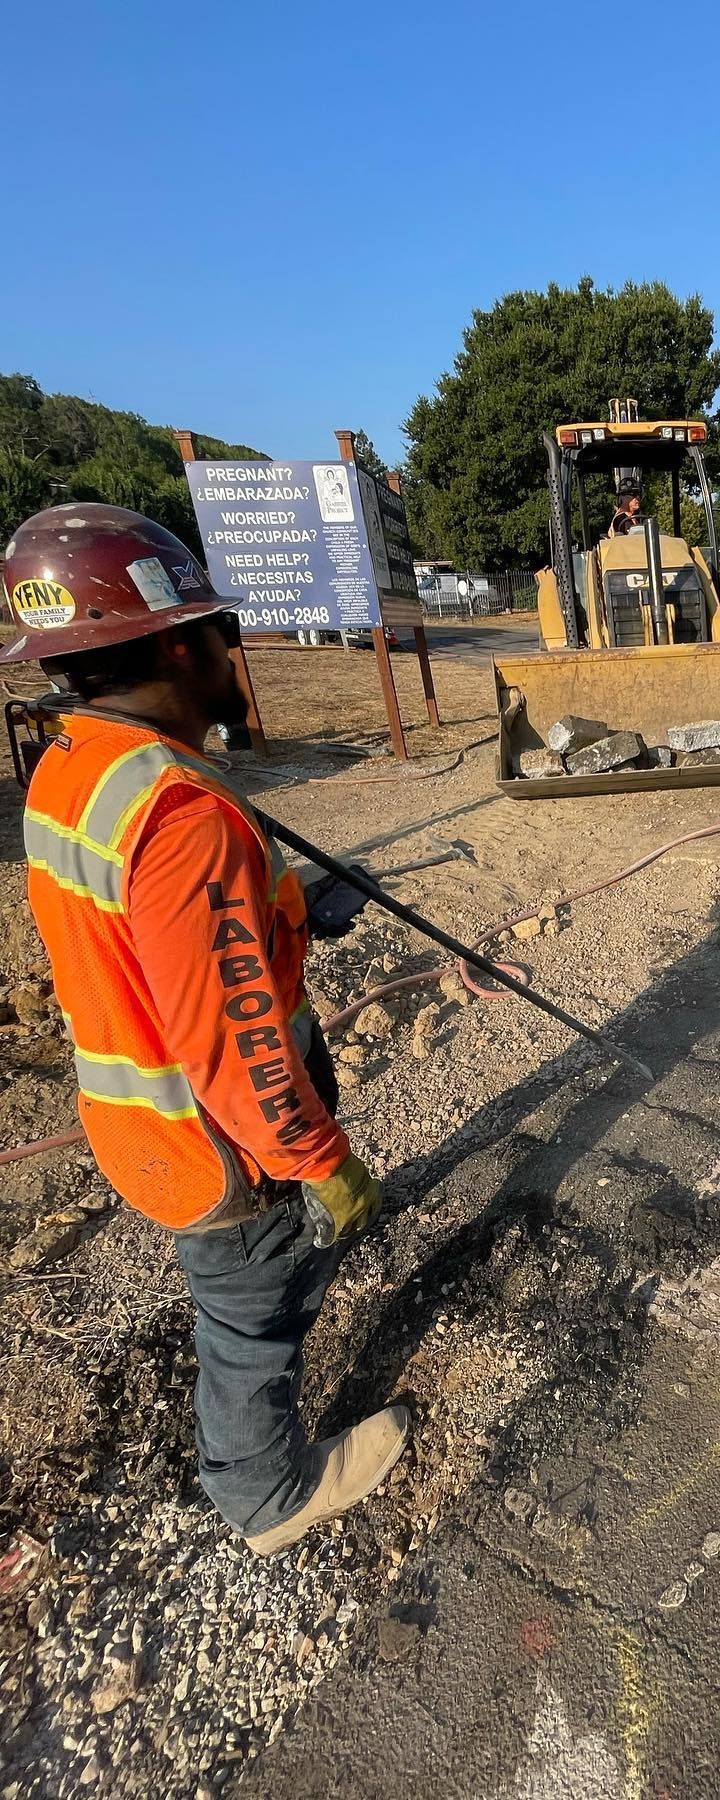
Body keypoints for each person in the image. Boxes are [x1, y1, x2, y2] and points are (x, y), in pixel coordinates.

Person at [1, 505, 408, 1557]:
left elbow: (143, 942)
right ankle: (265, 1496)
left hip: (134, 1119)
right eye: (221, 633)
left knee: (233, 1303)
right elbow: (238, 1046)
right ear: (180, 645)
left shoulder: (74, 769)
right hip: (218, 1146)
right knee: (252, 1319)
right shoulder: (181, 815)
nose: (238, 655)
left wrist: (280, 905)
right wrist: (323, 1163)